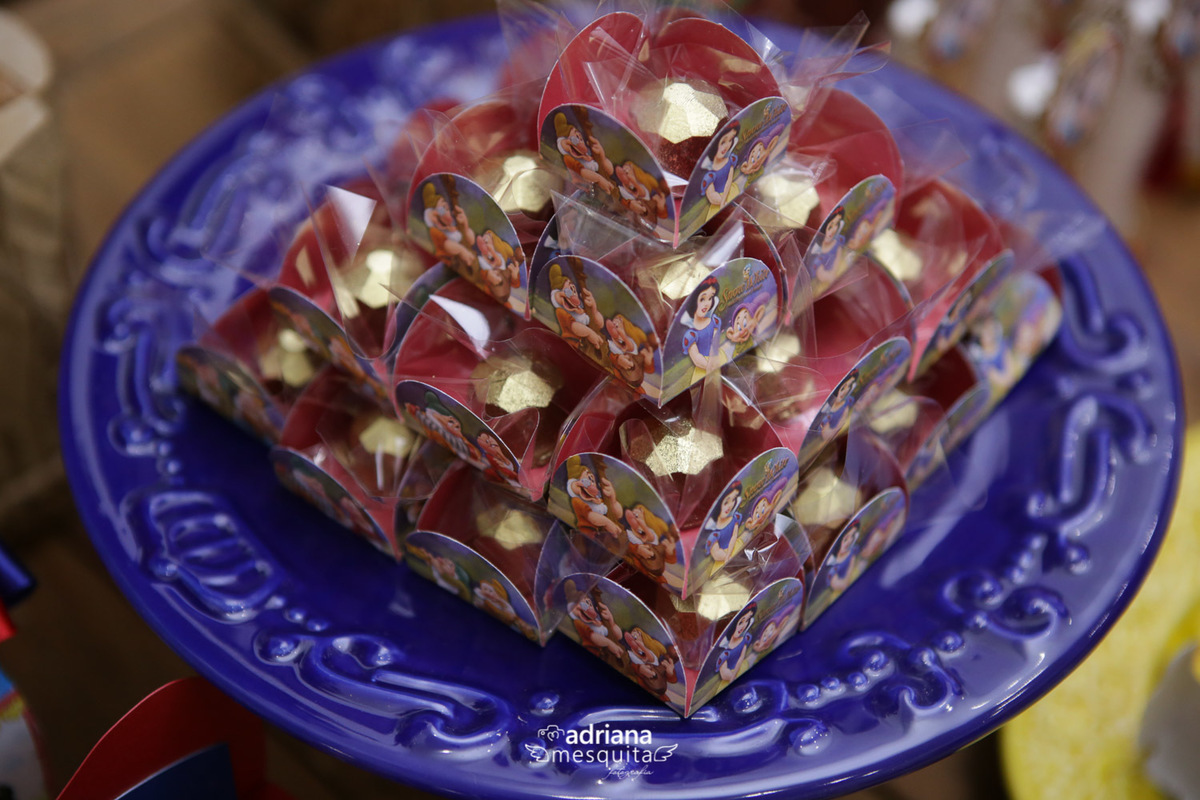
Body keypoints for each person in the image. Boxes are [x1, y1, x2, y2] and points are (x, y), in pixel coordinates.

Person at [681, 276, 723, 382]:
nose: (706, 303)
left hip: (717, 358)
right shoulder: (691, 335)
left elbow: (715, 342)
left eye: (710, 298)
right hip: (704, 368)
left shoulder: (714, 321)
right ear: (694, 301)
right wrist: (710, 366)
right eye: (702, 299)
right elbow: (696, 357)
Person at [703, 482, 743, 565]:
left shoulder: (734, 518)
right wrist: (727, 558)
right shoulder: (714, 533)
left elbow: (734, 535)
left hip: (736, 548)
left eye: (733, 500)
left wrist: (729, 555)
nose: (730, 505)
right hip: (723, 559)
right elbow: (716, 554)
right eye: (726, 503)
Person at [716, 602, 756, 683]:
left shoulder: (744, 639)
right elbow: (724, 673)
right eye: (741, 622)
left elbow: (741, 657)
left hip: (741, 670)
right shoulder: (726, 653)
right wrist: (733, 677)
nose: (744, 625)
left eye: (747, 620)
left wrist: (735, 675)